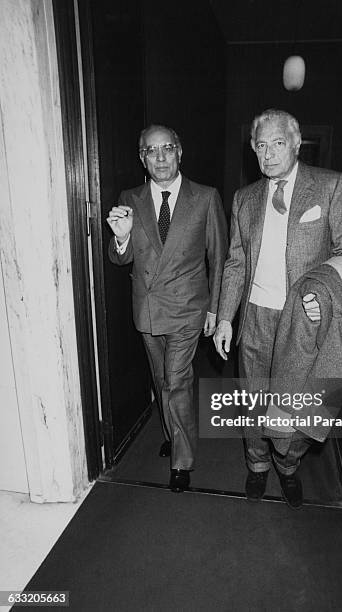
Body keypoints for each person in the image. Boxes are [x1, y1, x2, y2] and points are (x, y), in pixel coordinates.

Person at [214, 109, 342, 507]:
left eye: (277, 143)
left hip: (304, 321)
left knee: (296, 403)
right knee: (254, 399)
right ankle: (258, 464)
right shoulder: (244, 199)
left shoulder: (330, 187)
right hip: (257, 316)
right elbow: (236, 262)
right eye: (260, 145)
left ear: (296, 143)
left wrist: (322, 298)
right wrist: (226, 316)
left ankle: (288, 463)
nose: (268, 153)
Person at [107, 124, 228, 492]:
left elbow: (219, 257)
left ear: (180, 152)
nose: (160, 157)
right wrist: (122, 237)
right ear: (142, 157)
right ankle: (173, 434)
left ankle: (183, 461)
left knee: (177, 381)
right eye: (151, 150)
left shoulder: (205, 197)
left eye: (167, 149)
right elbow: (118, 259)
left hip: (188, 309)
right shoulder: (130, 197)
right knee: (160, 380)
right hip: (147, 311)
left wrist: (217, 310)